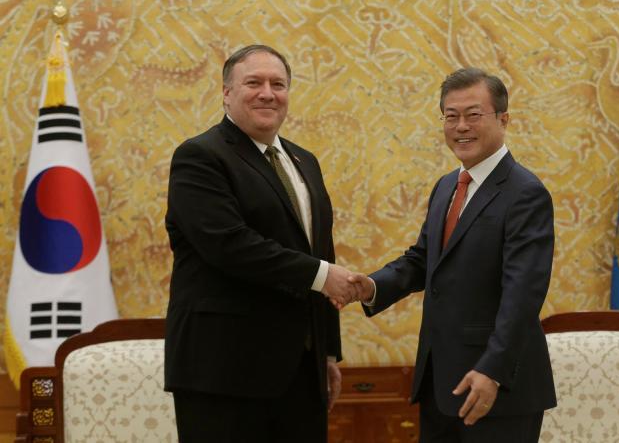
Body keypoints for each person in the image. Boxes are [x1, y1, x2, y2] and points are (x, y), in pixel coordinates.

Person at [348, 67, 556, 442]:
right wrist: (371, 286)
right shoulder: (447, 186)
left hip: (496, 387)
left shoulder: (525, 193)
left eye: (474, 115)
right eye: (451, 116)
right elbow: (422, 260)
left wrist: (491, 370)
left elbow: (522, 294)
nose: (461, 126)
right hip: (440, 382)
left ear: (504, 119)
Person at [164, 44, 355, 442]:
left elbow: (322, 251)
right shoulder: (200, 156)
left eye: (278, 84)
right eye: (254, 82)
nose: (268, 93)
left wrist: (327, 351)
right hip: (224, 372)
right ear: (226, 93)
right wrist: (321, 276)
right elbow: (228, 244)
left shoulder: (305, 161)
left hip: (301, 372)